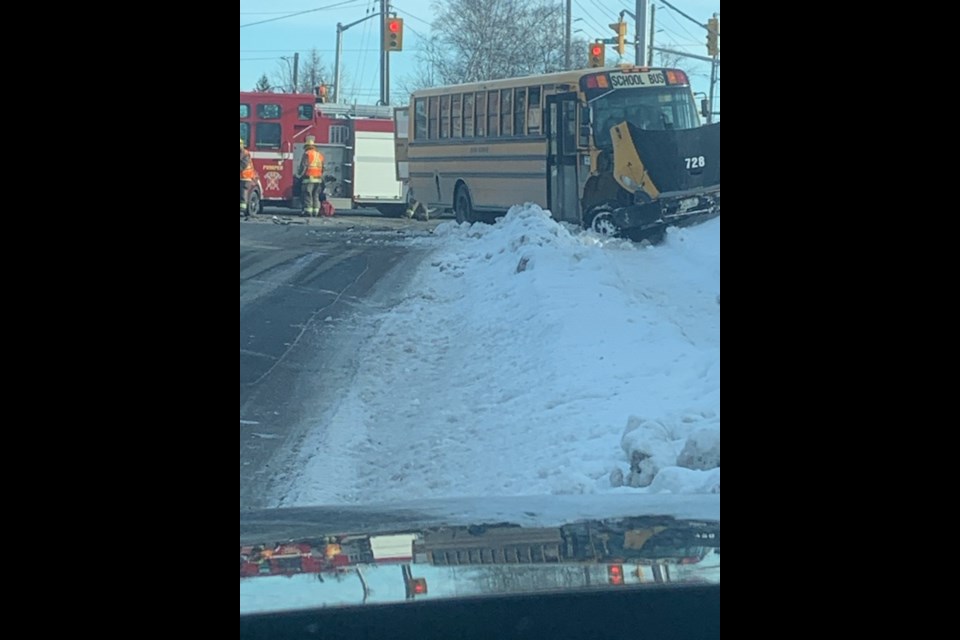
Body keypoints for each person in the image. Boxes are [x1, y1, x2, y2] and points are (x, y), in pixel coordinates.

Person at [297, 135, 326, 217]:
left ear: (307, 147)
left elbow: (304, 166)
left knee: (307, 195)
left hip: (309, 179)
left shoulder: (307, 154)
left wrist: (299, 175)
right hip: (318, 180)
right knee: (315, 195)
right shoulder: (319, 155)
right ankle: (316, 211)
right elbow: (323, 168)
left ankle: (308, 211)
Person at [240, 137, 256, 217]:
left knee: (243, 194)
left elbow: (242, 166)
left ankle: (242, 210)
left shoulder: (245, 154)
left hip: (245, 178)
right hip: (242, 177)